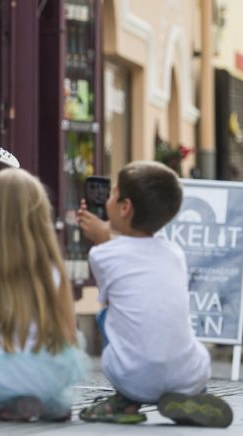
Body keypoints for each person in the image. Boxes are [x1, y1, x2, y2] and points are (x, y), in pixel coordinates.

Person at [76, 161, 233, 427]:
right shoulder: (176, 254)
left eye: (113, 194)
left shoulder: (101, 254)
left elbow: (110, 299)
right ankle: (192, 395)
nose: (108, 199)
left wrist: (103, 237)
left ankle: (125, 402)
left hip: (132, 377)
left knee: (106, 315)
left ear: (125, 208)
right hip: (189, 373)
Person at [0, 168, 88, 422]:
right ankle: (43, 399)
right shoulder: (51, 272)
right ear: (39, 217)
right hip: (44, 377)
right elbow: (68, 334)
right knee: (69, 346)